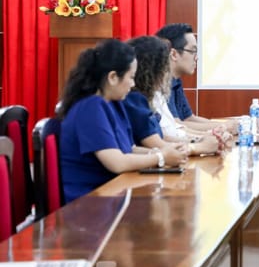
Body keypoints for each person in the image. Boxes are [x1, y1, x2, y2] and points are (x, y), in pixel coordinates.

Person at [58, 39, 184, 203]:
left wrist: (168, 151)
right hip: (88, 201)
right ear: (112, 77)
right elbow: (117, 162)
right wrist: (161, 157)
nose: (133, 84)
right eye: (131, 77)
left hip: (111, 193)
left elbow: (129, 149)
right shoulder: (91, 107)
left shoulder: (114, 104)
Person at [124, 36, 220, 156]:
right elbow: (159, 145)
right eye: (165, 66)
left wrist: (200, 140)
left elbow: (163, 136)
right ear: (153, 70)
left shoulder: (146, 97)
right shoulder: (135, 99)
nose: (168, 72)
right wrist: (199, 147)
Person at [155, 23, 237, 135]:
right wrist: (222, 127)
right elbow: (176, 124)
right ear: (174, 54)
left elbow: (189, 118)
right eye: (193, 51)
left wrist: (224, 126)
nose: (197, 58)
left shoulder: (176, 80)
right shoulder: (159, 83)